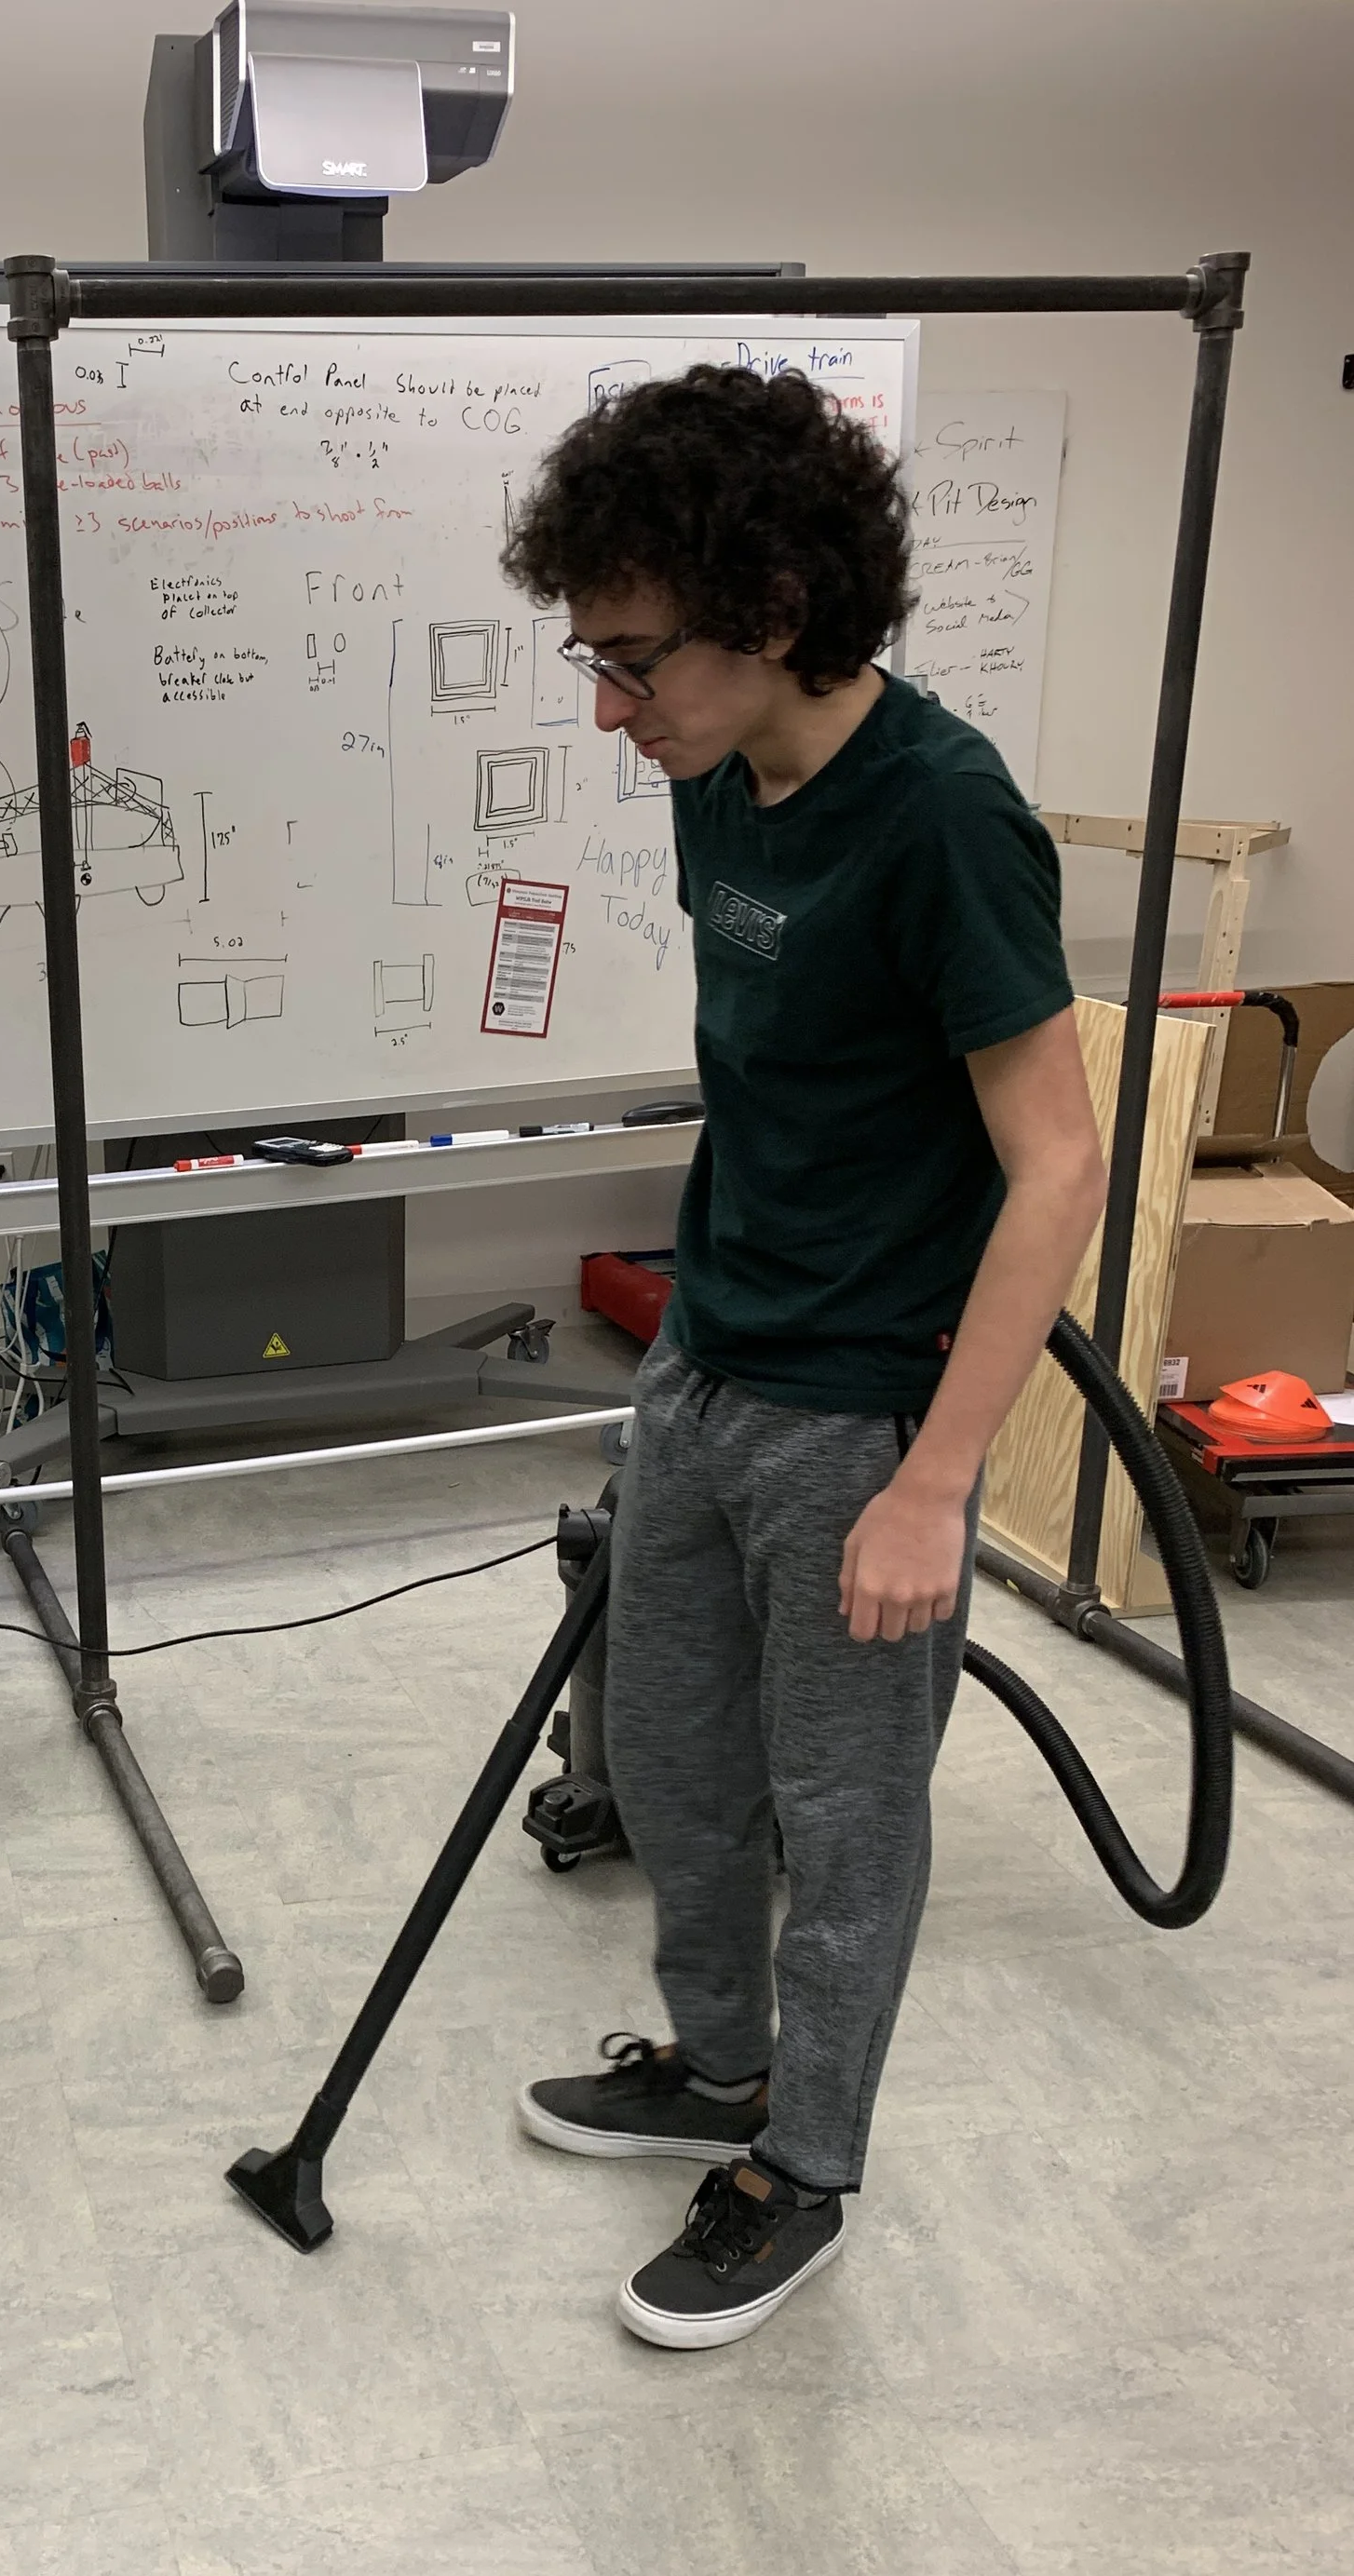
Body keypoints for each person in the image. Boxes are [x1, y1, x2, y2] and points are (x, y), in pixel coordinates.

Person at [500, 366, 1106, 2348]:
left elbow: (1054, 1162)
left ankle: (804, 2168)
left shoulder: (942, 821)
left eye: (631, 658)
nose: (608, 707)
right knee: (671, 1765)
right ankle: (716, 2059)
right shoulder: (710, 780)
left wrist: (936, 1481)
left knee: (842, 1825)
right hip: (706, 1360)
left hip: (862, 1414)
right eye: (589, 657)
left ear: (767, 610)